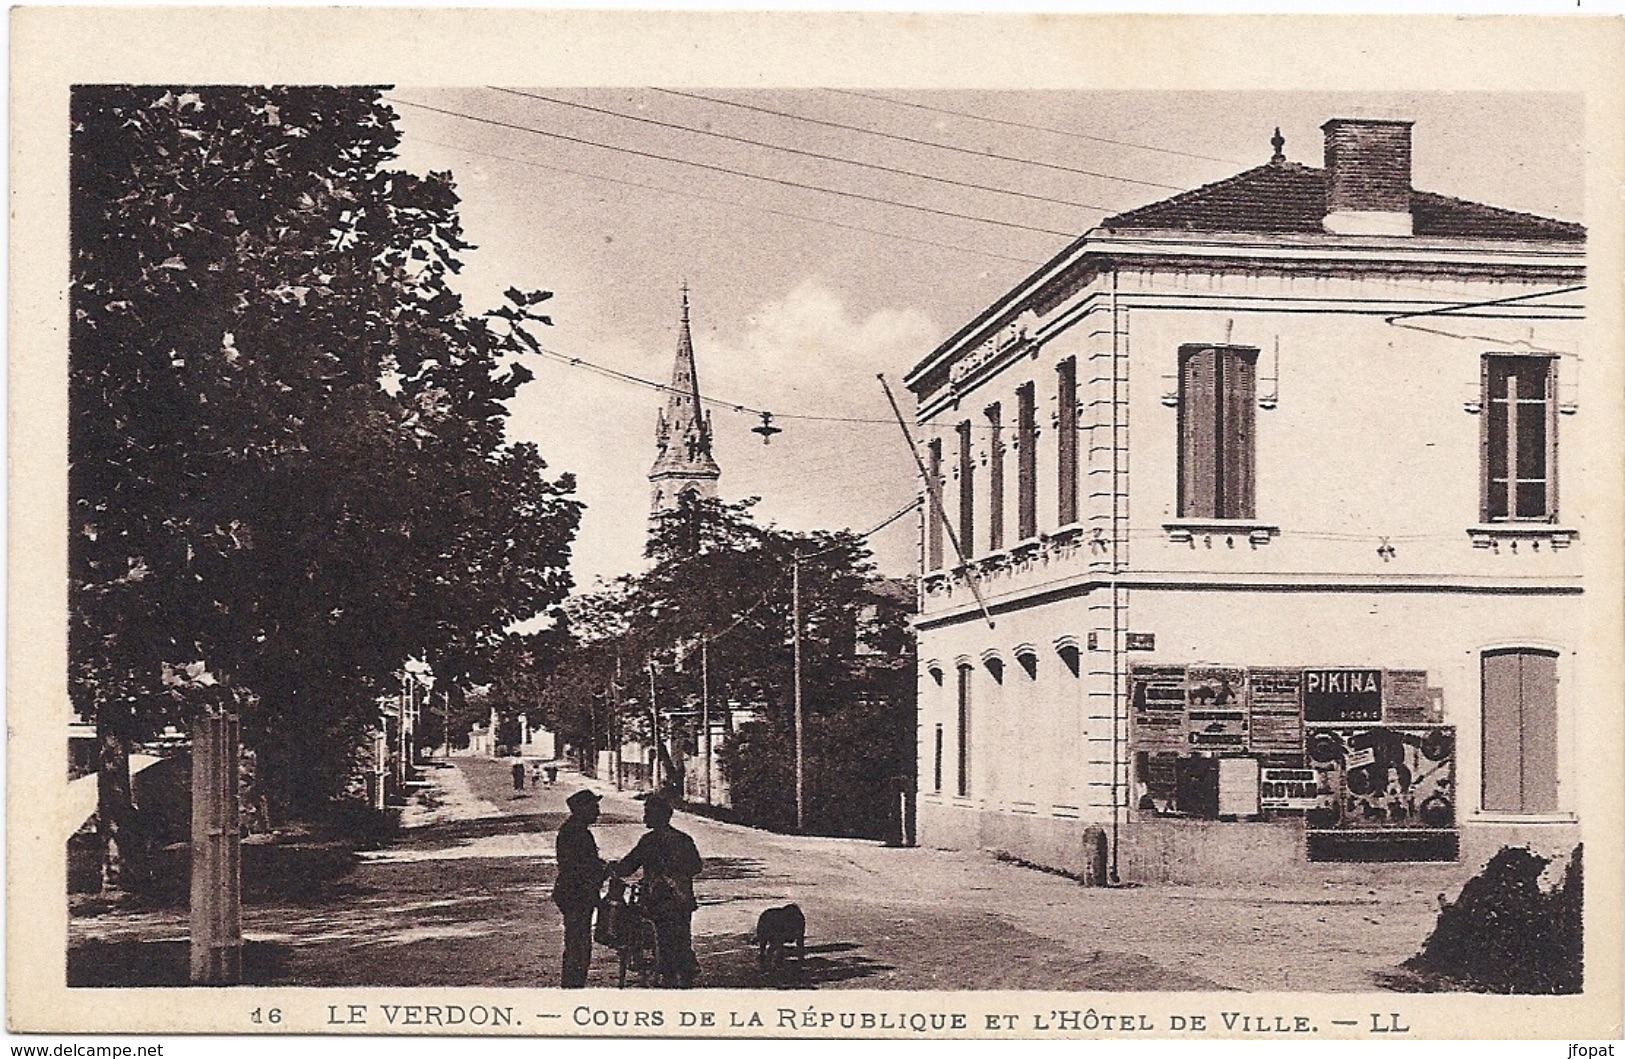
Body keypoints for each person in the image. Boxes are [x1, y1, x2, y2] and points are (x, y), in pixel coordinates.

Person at [614, 792, 703, 987]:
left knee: (660, 935)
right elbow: (696, 867)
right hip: (682, 900)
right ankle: (685, 968)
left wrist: (611, 869)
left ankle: (667, 971)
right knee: (682, 935)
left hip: (656, 901)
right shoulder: (684, 839)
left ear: (659, 816)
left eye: (648, 813)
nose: (644, 817)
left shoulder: (648, 841)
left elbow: (628, 867)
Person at [552, 789, 608, 987]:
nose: (597, 812)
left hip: (575, 892)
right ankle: (573, 986)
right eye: (594, 807)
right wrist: (602, 870)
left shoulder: (575, 829)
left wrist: (601, 866)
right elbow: (578, 866)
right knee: (578, 944)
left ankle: (574, 983)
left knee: (579, 942)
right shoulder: (575, 832)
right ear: (581, 809)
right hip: (575, 893)